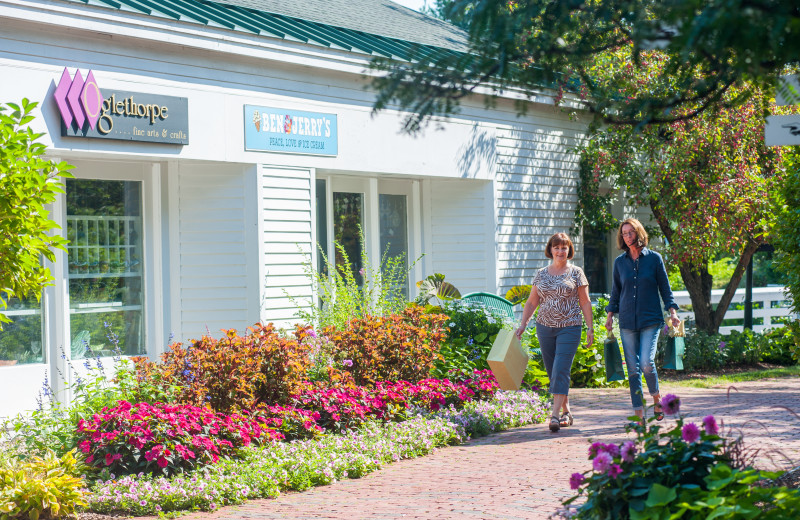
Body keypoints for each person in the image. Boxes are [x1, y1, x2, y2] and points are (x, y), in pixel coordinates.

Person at [515, 233, 594, 433]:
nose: (560, 251)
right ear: (550, 250)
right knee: (553, 372)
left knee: (560, 369)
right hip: (544, 327)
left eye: (564, 248)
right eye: (557, 247)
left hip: (570, 326)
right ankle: (567, 411)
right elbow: (532, 301)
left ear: (569, 250)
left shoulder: (576, 273)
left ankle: (555, 415)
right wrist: (523, 324)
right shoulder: (541, 274)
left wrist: (590, 327)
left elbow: (584, 302)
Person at [605, 218, 680, 423]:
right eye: (624, 233)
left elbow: (665, 288)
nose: (627, 237)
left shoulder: (654, 259)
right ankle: (638, 412)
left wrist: (672, 312)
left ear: (638, 233)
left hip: (651, 320)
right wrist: (610, 315)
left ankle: (656, 398)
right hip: (627, 321)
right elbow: (616, 292)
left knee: (646, 363)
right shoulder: (620, 262)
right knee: (632, 368)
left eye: (630, 232)